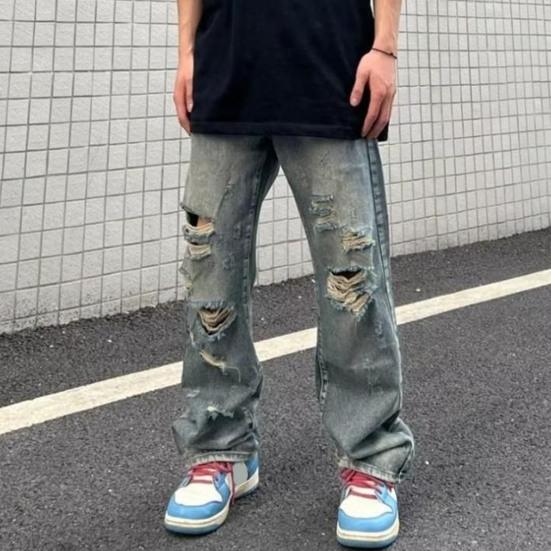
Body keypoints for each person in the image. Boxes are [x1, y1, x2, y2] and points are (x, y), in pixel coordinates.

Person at [164, 0, 415, 548]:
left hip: (332, 71)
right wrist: (186, 52)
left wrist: (385, 47)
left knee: (351, 278)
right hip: (227, 68)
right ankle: (221, 448)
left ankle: (370, 456)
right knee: (210, 276)